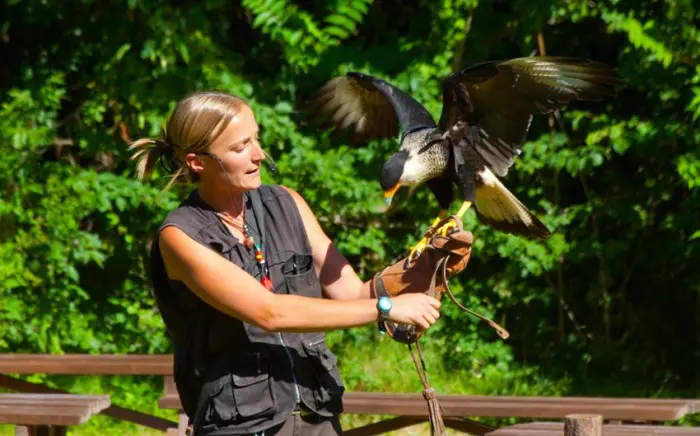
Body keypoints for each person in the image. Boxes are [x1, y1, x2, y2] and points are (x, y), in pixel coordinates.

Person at [129, 91, 474, 436]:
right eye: (240, 148)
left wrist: (423, 267)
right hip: (240, 424)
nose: (258, 155)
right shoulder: (180, 236)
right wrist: (387, 306)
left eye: (256, 139)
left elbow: (353, 293)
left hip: (317, 414)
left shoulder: (287, 203)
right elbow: (269, 312)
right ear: (196, 162)